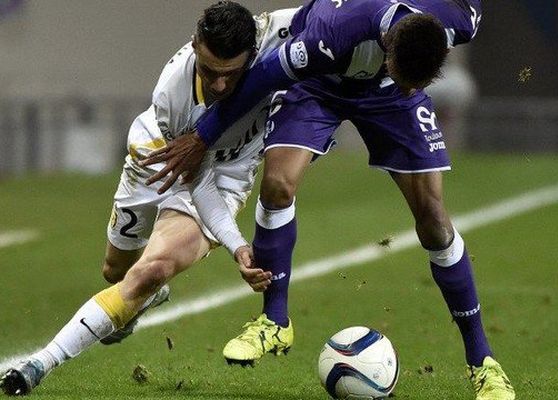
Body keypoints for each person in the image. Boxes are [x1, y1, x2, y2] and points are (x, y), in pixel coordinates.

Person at [142, 1, 516, 399]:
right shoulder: (328, 33)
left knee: (435, 221)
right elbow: (263, 77)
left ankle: (483, 363)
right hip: (319, 83)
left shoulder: (456, 21)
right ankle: (274, 320)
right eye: (407, 76)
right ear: (387, 46)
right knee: (278, 183)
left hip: (389, 97)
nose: (413, 86)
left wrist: (402, 85)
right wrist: (202, 136)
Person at [0, 2, 297, 395]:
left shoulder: (279, 30)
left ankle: (40, 363)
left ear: (252, 51)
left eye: (231, 75)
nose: (221, 86)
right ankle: (147, 295)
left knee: (151, 270)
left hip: (224, 176)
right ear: (195, 45)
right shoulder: (173, 94)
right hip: (157, 159)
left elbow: (337, 13)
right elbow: (195, 179)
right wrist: (237, 244)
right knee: (115, 271)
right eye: (210, 73)